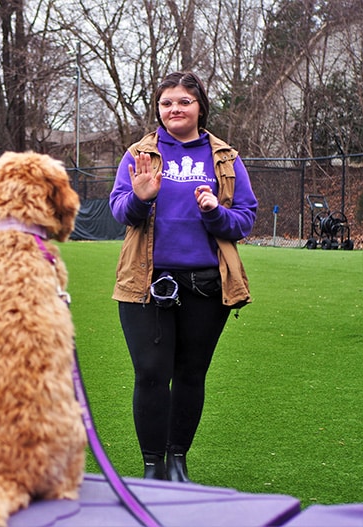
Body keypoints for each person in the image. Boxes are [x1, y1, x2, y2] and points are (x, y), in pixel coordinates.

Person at [109, 71, 257, 482]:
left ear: (199, 107)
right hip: (145, 284)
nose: (175, 109)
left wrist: (214, 212)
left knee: (191, 375)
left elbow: (243, 220)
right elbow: (120, 211)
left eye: (184, 102)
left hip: (207, 285)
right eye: (167, 102)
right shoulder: (139, 153)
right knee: (152, 373)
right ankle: (152, 466)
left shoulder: (225, 157)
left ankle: (177, 462)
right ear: (159, 109)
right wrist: (140, 198)